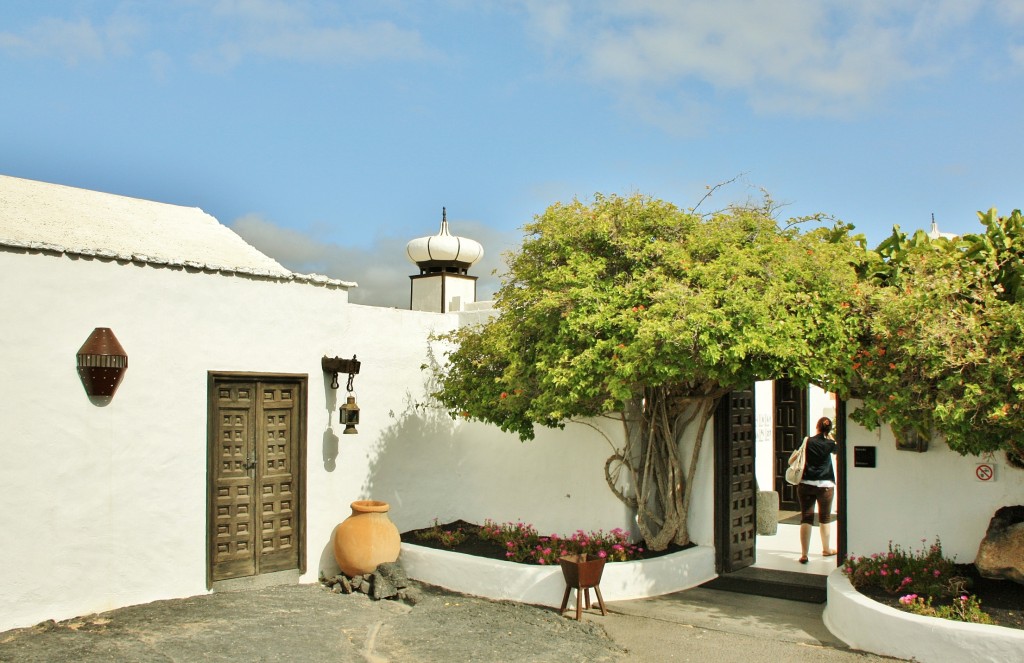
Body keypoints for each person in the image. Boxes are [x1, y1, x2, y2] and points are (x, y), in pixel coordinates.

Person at [796, 416, 838, 564]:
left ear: (817, 426)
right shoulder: (830, 443)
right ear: (829, 429)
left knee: (806, 518)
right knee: (824, 518)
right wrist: (830, 436)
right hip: (825, 485)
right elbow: (838, 450)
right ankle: (826, 549)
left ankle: (804, 554)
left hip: (806, 483)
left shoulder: (807, 441)